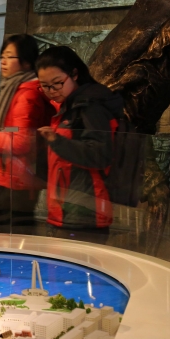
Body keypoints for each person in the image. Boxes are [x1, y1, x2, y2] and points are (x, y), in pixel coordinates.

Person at [36, 46, 124, 244]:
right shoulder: (69, 106)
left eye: (57, 83)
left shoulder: (90, 106)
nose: (51, 91)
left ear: (74, 74)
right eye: (45, 86)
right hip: (67, 207)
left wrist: (56, 141)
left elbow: (100, 154)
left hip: (84, 212)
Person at [0, 34, 54, 232]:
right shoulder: (15, 88)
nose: (3, 61)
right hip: (12, 177)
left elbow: (21, 141)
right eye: (2, 56)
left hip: (19, 179)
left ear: (26, 62)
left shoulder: (27, 94)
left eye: (10, 56)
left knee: (7, 236)